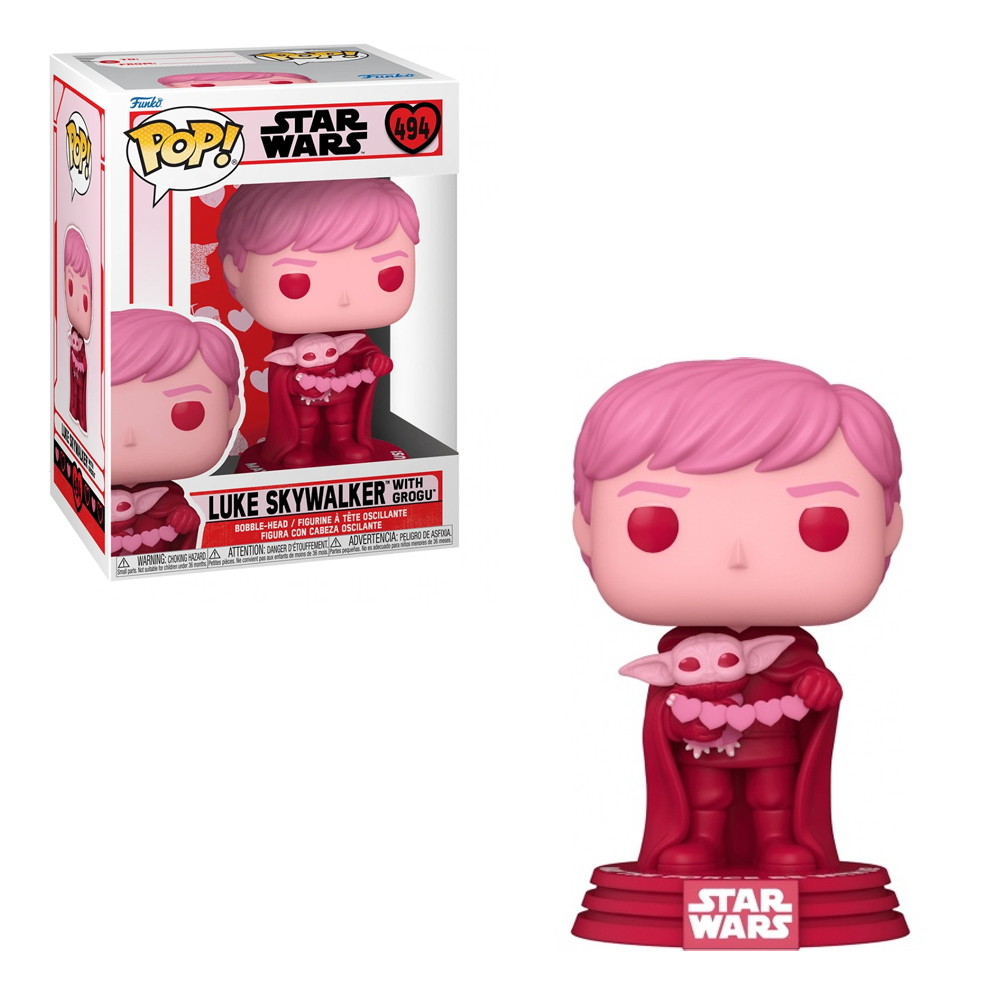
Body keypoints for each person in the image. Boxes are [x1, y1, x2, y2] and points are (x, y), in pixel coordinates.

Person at [572, 358, 903, 874]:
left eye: (821, 524)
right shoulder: (678, 657)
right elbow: (662, 719)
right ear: (587, 530)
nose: (738, 556)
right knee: (706, 797)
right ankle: (702, 842)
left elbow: (812, 691)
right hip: (703, 754)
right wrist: (677, 722)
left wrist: (816, 686)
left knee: (775, 798)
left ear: (888, 530)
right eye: (656, 524)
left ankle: (777, 842)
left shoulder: (792, 654)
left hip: (775, 748)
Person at [217, 178, 419, 470]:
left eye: (388, 275)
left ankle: (344, 442)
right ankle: (299, 445)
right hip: (304, 399)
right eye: (296, 281)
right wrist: (294, 381)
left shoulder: (354, 337)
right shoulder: (287, 345)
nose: (344, 298)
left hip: (344, 396)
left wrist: (372, 359)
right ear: (235, 272)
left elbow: (362, 350)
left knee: (343, 418)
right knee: (304, 421)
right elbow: (281, 375)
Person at [110, 308, 243, 552]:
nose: (131, 437)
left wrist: (184, 519)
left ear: (231, 413)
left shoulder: (168, 499)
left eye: (185, 412)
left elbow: (181, 527)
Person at [64, 227, 92, 433]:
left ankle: (80, 417)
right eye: (70, 288)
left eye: (83, 300)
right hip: (75, 361)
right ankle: (74, 412)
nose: (75, 305)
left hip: (81, 362)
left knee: (82, 394)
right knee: (75, 391)